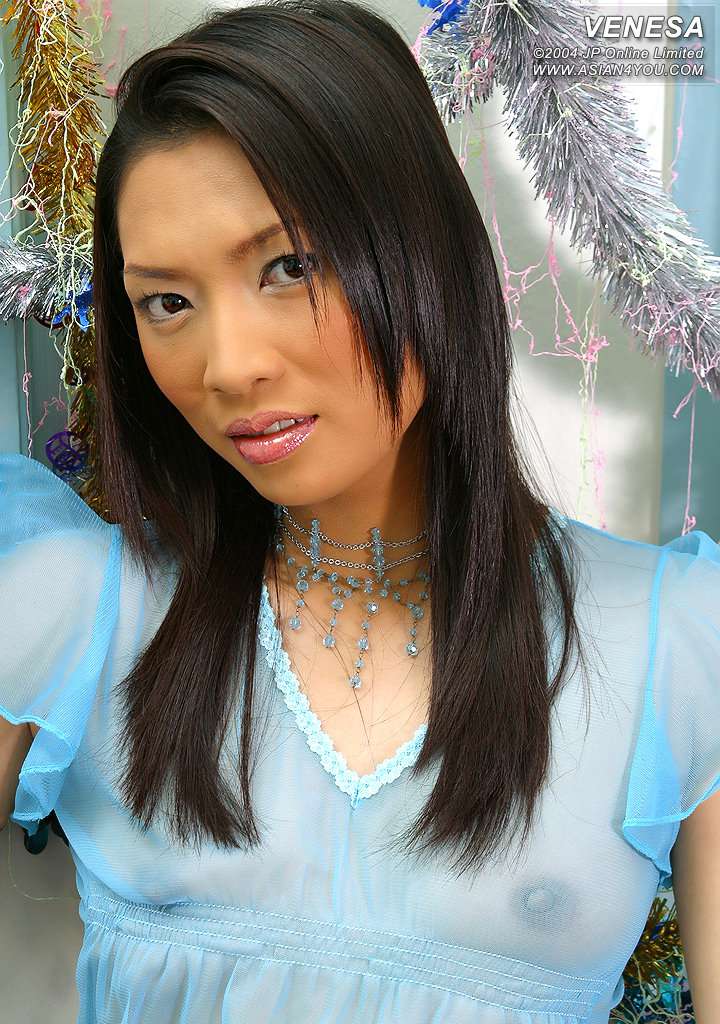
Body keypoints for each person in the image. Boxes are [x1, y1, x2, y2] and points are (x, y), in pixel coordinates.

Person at [1, 1, 719, 1020]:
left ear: (426, 250)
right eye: (168, 301)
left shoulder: (678, 643)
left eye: (290, 267)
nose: (228, 366)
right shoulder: (73, 606)